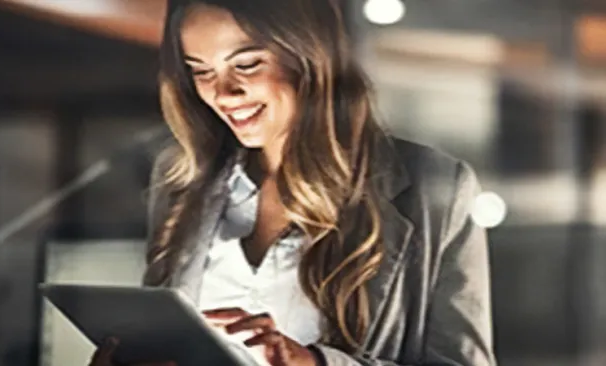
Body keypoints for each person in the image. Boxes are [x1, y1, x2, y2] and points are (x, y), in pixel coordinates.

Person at [90, 0, 496, 364]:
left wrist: (314, 364)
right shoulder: (180, 181)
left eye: (247, 64)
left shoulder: (433, 188)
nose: (223, 93)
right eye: (201, 71)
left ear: (309, 55)